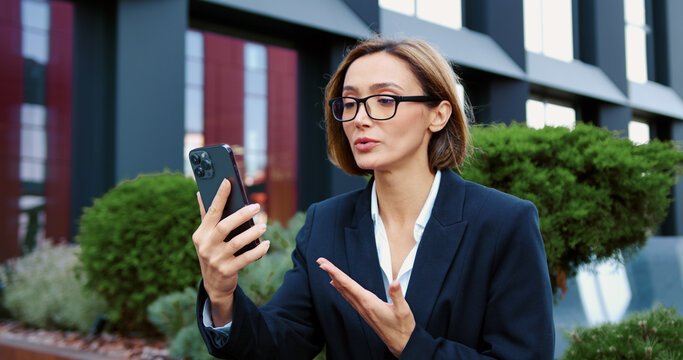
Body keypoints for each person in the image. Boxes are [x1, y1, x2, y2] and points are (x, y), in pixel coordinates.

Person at [193, 37, 555, 359]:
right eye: (349, 103)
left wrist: (413, 344)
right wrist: (222, 296)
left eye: (384, 100)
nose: (360, 118)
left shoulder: (504, 222)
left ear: (439, 114)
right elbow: (280, 343)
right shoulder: (326, 222)